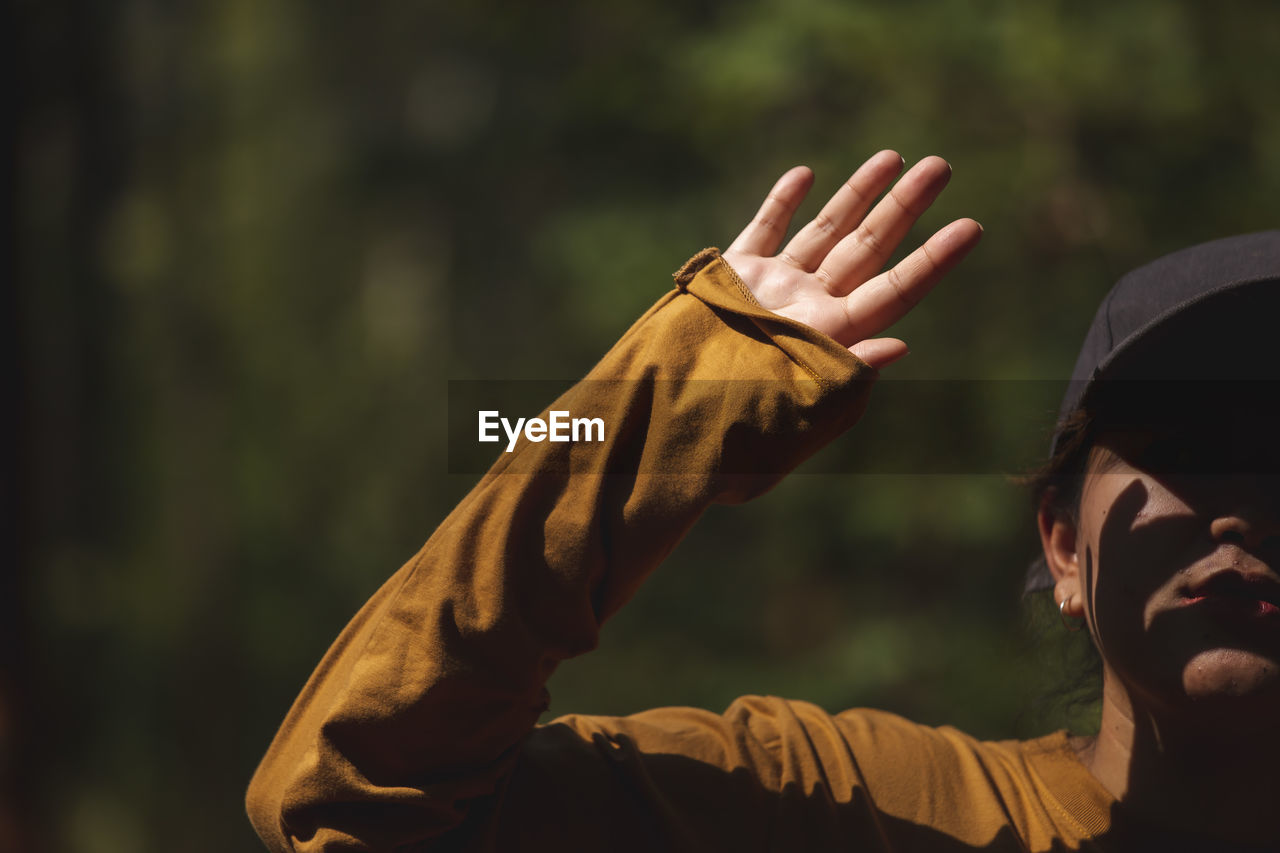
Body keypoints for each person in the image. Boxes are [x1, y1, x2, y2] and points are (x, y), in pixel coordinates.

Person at [245, 150, 1280, 851]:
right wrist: (668, 407)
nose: (1239, 506)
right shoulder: (857, 812)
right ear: (1060, 547)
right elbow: (350, 792)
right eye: (1182, 446)